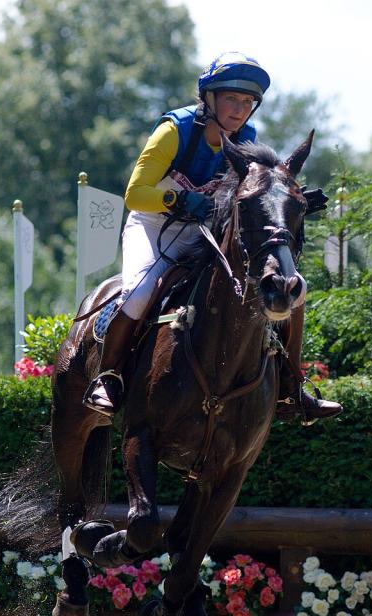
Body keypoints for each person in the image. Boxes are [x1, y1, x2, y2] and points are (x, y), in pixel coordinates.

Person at [83, 51, 342, 425]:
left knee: (291, 290)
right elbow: (134, 194)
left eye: (247, 103)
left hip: (203, 230)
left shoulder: (247, 142)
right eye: (232, 99)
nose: (239, 110)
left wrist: (294, 201)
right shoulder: (175, 132)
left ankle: (291, 386)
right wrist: (180, 198)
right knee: (140, 292)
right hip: (154, 225)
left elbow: (256, 198)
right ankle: (109, 377)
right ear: (209, 98)